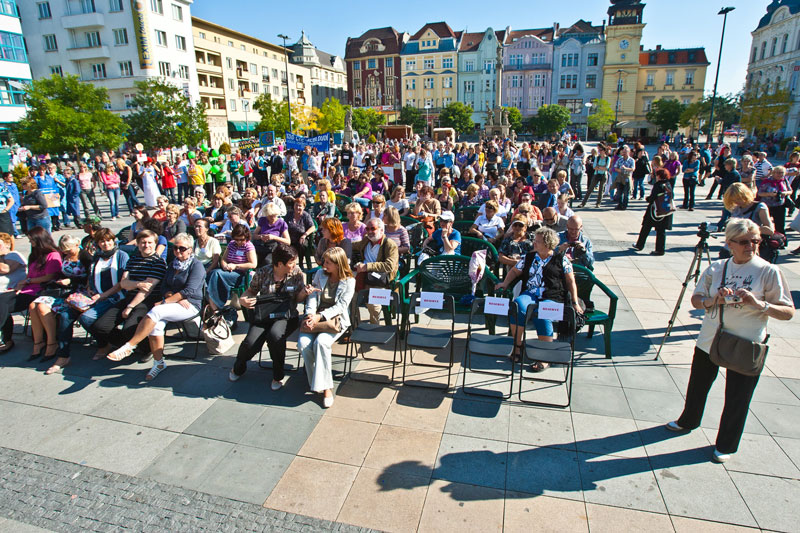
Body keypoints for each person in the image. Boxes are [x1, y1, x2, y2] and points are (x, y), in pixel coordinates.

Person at [666, 218, 795, 462]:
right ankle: (688, 420)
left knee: (738, 397)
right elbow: (696, 300)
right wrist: (714, 300)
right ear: (730, 243)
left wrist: (760, 304)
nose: (751, 246)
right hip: (710, 339)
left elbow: (788, 312)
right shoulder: (717, 267)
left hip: (746, 342)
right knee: (697, 386)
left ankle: (726, 445)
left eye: (755, 241)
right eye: (744, 242)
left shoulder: (768, 270)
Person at [107, 233, 204, 380]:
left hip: (190, 304)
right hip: (175, 302)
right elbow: (164, 287)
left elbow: (189, 291)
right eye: (175, 248)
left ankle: (130, 346)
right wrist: (170, 297)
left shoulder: (196, 266)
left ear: (190, 249)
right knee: (156, 325)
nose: (178, 251)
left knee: (156, 310)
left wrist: (167, 301)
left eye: (182, 249)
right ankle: (158, 363)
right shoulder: (172, 265)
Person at [495, 226, 582, 369]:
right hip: (531, 293)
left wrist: (574, 302)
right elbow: (515, 271)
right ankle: (517, 346)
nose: (534, 243)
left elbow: (570, 281)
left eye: (538, 241)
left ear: (547, 244)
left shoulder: (561, 260)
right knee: (517, 306)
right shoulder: (529, 257)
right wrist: (505, 283)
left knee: (544, 312)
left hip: (552, 295)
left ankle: (545, 355)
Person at [47, 228, 130, 373]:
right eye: (102, 241)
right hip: (93, 296)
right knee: (65, 315)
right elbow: (90, 276)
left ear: (113, 240)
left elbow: (122, 283)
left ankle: (105, 343)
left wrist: (102, 295)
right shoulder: (97, 256)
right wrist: (89, 287)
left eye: (108, 240)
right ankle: (63, 356)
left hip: (114, 297)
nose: (106, 244)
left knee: (86, 318)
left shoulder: (121, 256)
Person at [229, 243, 310, 389]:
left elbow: (298, 299)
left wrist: (303, 293)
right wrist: (243, 300)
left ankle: (278, 375)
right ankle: (238, 367)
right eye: (291, 262)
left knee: (275, 336)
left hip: (286, 315)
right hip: (265, 315)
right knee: (250, 342)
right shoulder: (263, 272)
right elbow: (250, 291)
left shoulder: (297, 274)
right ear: (280, 264)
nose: (295, 265)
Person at [88, 229, 168, 361]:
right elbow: (124, 283)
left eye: (149, 242)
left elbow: (146, 290)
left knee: (129, 329)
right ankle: (125, 345)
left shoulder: (158, 263)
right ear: (137, 243)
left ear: (155, 244)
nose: (146, 245)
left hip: (147, 301)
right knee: (100, 327)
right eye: (143, 242)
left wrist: (130, 307)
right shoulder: (133, 259)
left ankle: (147, 349)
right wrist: (137, 284)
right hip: (129, 297)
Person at [299, 246, 355, 408]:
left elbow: (341, 306)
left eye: (328, 262)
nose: (324, 264)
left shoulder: (349, 281)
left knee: (321, 343)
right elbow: (313, 297)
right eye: (324, 261)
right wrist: (310, 314)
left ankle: (326, 388)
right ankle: (316, 383)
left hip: (334, 320)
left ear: (338, 264)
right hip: (315, 317)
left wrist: (319, 316)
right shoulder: (320, 274)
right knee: (303, 344)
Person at [28, 234, 92, 362]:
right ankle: (39, 341)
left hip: (79, 292)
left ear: (76, 244)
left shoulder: (85, 256)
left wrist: (71, 280)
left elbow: (90, 277)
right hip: (63, 290)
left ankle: (52, 343)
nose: (67, 252)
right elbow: (59, 272)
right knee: (33, 305)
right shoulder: (64, 256)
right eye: (64, 250)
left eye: (69, 249)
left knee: (42, 307)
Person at [0, 227, 62, 356]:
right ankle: (6, 339)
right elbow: (29, 275)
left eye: (31, 240)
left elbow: (50, 277)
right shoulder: (35, 255)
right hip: (26, 289)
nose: (30, 243)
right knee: (1, 301)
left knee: (2, 303)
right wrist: (22, 284)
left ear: (39, 240)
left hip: (40, 291)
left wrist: (27, 281)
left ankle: (6, 339)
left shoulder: (53, 254)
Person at [353, 218, 399, 323]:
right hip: (363, 276)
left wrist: (367, 267)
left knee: (372, 303)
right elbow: (354, 245)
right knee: (349, 297)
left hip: (379, 280)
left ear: (381, 230)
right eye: (367, 229)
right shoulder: (366, 241)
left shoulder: (390, 244)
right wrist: (339, 243)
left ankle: (374, 327)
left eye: (373, 229)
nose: (369, 232)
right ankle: (355, 326)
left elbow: (389, 266)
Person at [206, 224, 257, 316]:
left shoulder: (248, 246)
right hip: (228, 271)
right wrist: (225, 265)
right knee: (212, 273)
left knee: (216, 274)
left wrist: (236, 266)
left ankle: (215, 305)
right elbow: (224, 259)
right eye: (236, 239)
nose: (239, 242)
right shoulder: (232, 244)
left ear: (246, 237)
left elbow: (253, 264)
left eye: (241, 239)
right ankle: (212, 302)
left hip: (241, 274)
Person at [634, 168, 673, 256]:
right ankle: (660, 249)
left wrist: (648, 198)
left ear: (659, 176)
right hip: (665, 211)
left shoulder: (658, 185)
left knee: (646, 228)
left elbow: (653, 198)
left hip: (654, 211)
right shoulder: (668, 184)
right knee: (661, 231)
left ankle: (640, 245)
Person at [0, 232, 27, 352]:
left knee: (1, 303)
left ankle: (7, 340)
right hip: (4, 293)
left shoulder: (13, 255)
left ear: (7, 244)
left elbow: (6, 269)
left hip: (17, 292)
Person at [757, 165, 791, 235]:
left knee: (780, 226)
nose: (780, 174)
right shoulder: (767, 181)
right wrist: (770, 194)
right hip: (768, 206)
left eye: (782, 172)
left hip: (780, 205)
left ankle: (781, 241)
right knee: (766, 225)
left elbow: (790, 191)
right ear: (773, 173)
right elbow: (760, 193)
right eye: (778, 172)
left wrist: (785, 193)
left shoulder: (784, 180)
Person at [285, 195, 315, 259]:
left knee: (302, 245)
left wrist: (304, 235)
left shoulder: (306, 215)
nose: (297, 207)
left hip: (301, 237)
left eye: (300, 206)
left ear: (304, 207)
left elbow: (312, 227)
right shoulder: (289, 214)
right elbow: (284, 225)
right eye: (296, 205)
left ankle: (301, 262)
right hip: (289, 237)